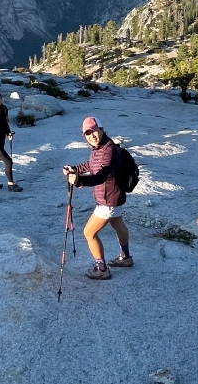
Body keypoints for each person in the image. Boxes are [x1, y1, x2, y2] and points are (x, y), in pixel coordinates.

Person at [62, 116, 133, 279]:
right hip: (115, 197)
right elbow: (90, 165)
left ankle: (102, 269)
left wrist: (79, 180)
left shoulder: (108, 150)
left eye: (93, 131)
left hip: (107, 200)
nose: (91, 136)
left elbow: (100, 176)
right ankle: (126, 257)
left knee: (89, 233)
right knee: (117, 223)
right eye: (87, 134)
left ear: (101, 129)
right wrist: (74, 169)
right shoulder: (100, 147)